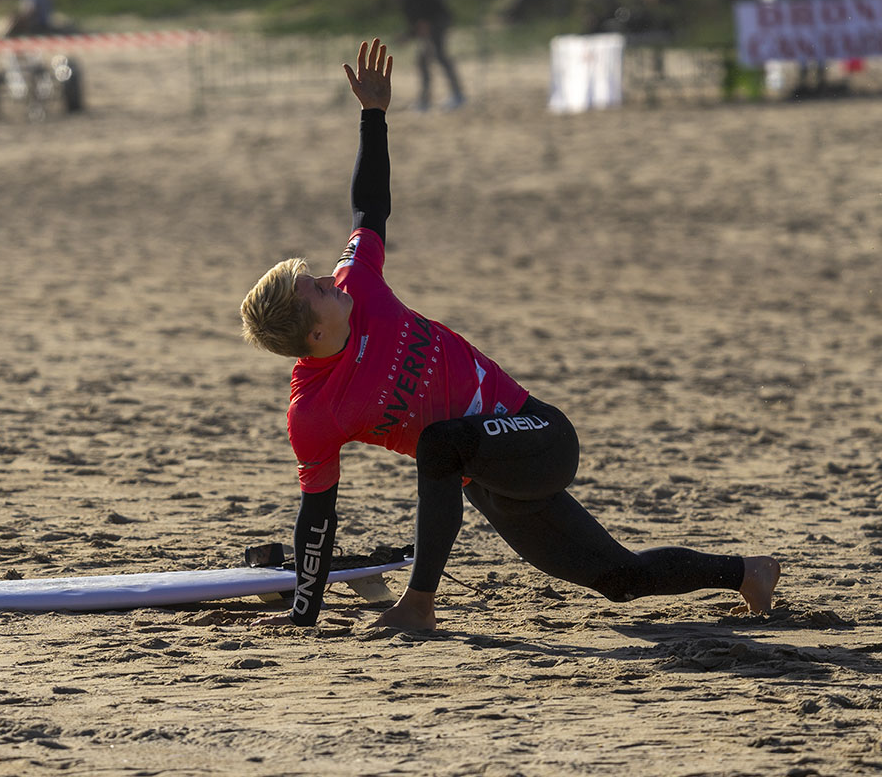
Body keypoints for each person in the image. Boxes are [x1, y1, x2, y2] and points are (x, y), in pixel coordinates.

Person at [240, 39, 780, 631]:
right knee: (619, 579)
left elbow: (369, 208)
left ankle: (419, 605)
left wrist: (374, 115)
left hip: (538, 436)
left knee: (438, 443)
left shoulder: (357, 283)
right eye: (314, 290)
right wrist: (303, 615)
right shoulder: (313, 411)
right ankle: (747, 572)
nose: (327, 278)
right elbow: (318, 514)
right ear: (315, 332)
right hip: (485, 476)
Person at [388, 0, 465, 111]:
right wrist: (408, 36)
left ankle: (456, 95)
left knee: (437, 56)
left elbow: (422, 22)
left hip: (436, 22)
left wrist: (407, 37)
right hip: (436, 21)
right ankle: (427, 100)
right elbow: (418, 23)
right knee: (426, 59)